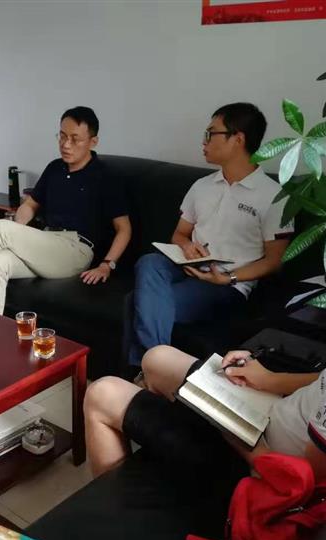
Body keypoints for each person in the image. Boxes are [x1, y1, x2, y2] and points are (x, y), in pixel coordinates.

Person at [122, 103, 293, 371]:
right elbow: (179, 234)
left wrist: (228, 278)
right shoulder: (201, 186)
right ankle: (153, 371)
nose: (204, 141)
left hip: (227, 284)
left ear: (238, 139)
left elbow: (275, 261)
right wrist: (187, 246)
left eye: (211, 133)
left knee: (136, 301)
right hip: (186, 266)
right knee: (149, 262)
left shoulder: (274, 196)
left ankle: (144, 372)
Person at [0, 106, 131, 315]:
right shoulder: (54, 168)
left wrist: (107, 265)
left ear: (93, 142)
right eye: (62, 136)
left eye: (75, 139)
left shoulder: (105, 177)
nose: (66, 144)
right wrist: (17, 230)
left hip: (76, 250)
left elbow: (124, 229)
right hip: (46, 243)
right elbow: (30, 205)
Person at [84, 345, 326, 485]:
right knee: (157, 356)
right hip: (275, 413)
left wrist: (235, 434)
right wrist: (268, 379)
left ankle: (111, 514)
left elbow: (300, 482)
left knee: (101, 393)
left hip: (259, 463)